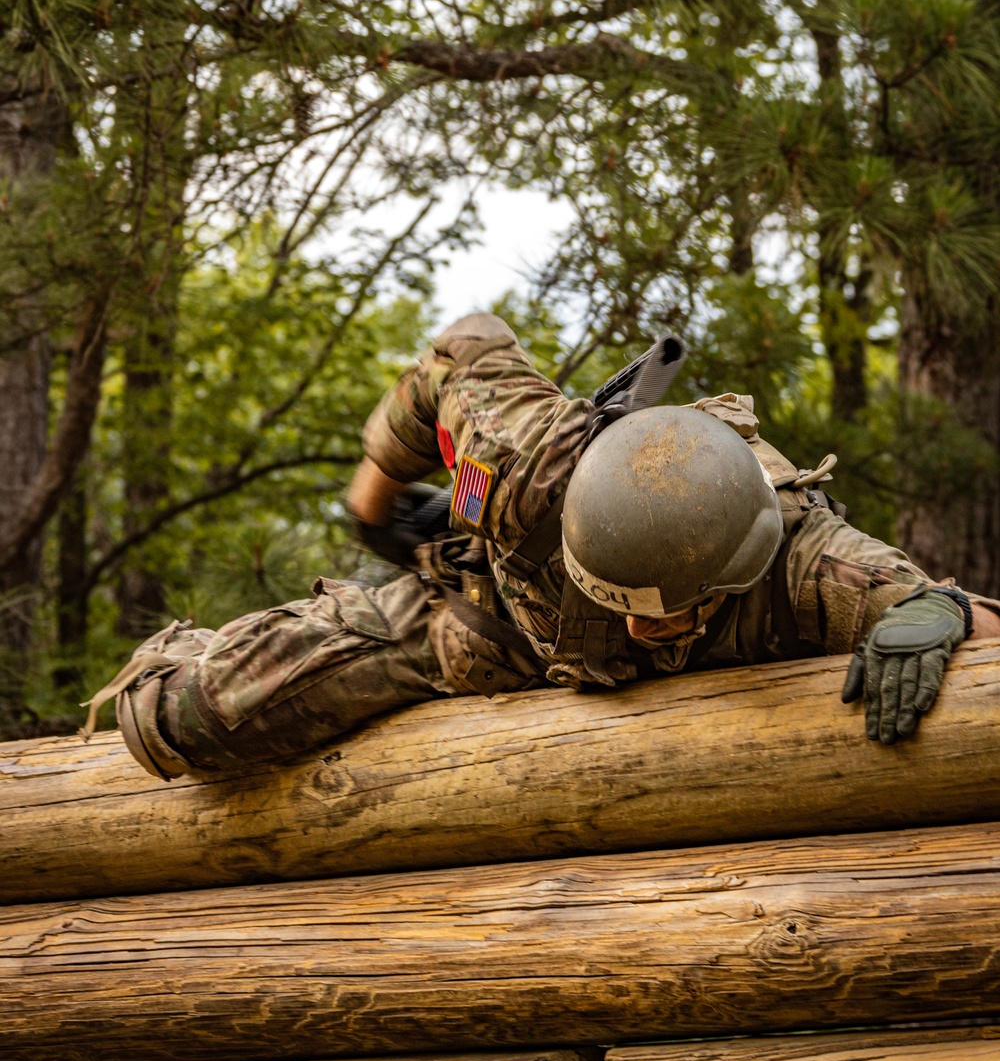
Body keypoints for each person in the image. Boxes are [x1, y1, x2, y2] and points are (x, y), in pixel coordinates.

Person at [90, 313, 1000, 780]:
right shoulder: (529, 458)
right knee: (184, 721)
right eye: (629, 606)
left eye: (676, 612)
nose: (653, 631)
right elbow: (457, 352)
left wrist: (942, 615)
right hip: (493, 624)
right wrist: (372, 507)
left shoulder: (794, 550)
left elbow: (934, 609)